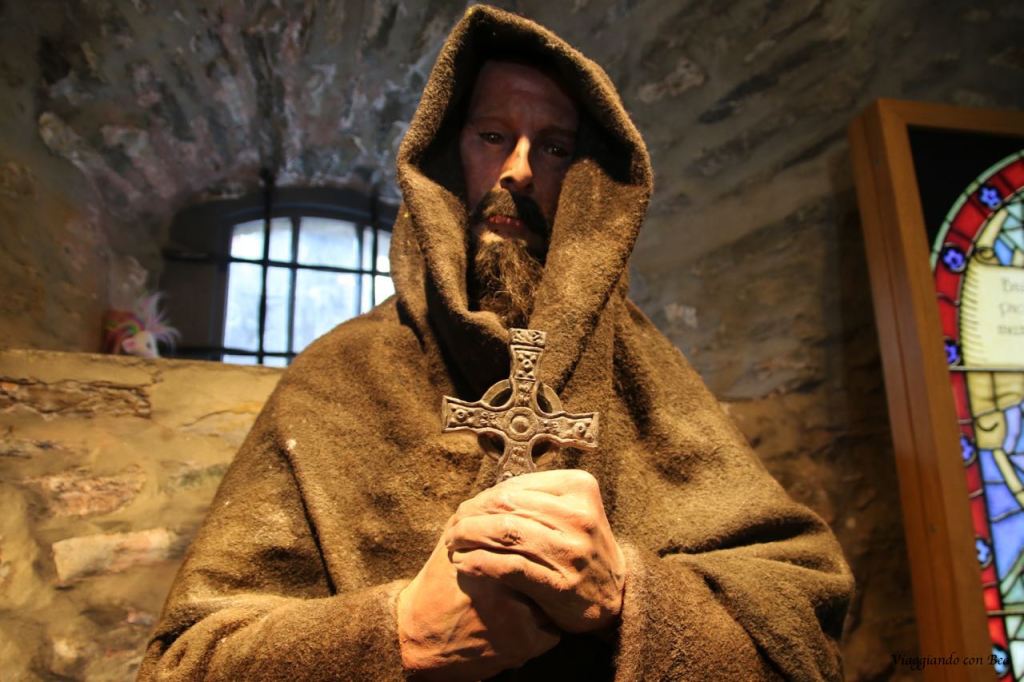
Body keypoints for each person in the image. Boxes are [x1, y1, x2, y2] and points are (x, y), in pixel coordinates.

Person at [139, 5, 853, 681]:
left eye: (555, 147)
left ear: (587, 179)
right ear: (446, 158)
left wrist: (631, 595)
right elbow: (187, 662)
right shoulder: (340, 377)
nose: (519, 170)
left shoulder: (645, 371)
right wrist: (397, 636)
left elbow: (802, 631)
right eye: (491, 136)